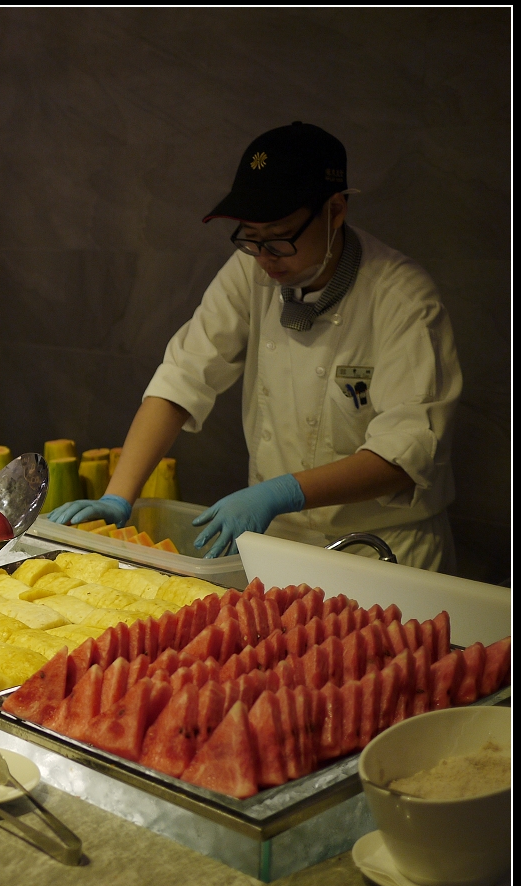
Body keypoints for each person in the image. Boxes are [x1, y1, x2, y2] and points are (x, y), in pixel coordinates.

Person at [50, 122, 461, 572]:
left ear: (335, 210)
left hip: (383, 551)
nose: (264, 257)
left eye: (280, 237)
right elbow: (184, 375)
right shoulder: (253, 271)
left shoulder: (402, 298)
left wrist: (280, 491)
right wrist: (118, 496)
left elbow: (404, 456)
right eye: (250, 237)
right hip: (278, 542)